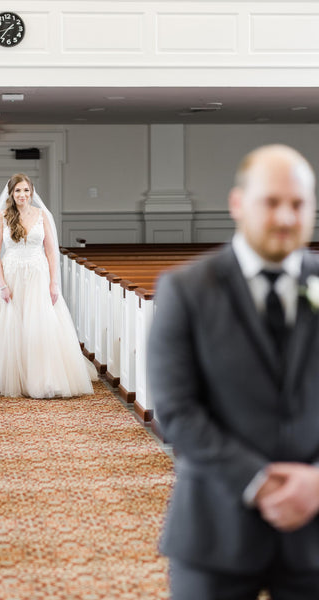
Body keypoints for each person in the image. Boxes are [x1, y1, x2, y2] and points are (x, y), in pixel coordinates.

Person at [147, 144, 319, 599]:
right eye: (272, 202)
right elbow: (176, 411)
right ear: (238, 204)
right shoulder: (186, 290)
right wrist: (257, 481)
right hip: (214, 529)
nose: (285, 218)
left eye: (299, 205)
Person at [0, 173, 97, 398]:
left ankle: (42, 378)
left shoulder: (43, 216)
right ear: (11, 193)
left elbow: (51, 251)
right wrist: (2, 285)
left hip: (37, 276)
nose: (22, 195)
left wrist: (53, 283)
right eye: (18, 191)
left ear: (32, 192)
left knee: (39, 326)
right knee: (8, 326)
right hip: (10, 275)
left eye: (26, 190)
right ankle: (6, 376)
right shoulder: (2, 216)